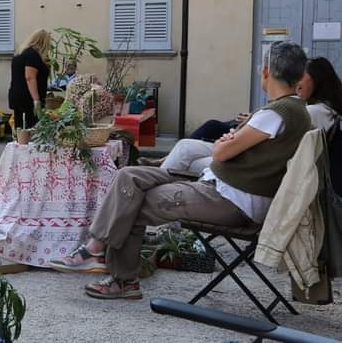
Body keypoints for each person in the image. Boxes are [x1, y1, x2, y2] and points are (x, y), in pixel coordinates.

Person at [50, 42, 312, 300]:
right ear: (299, 76)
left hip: (231, 200)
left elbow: (221, 152)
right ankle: (97, 248)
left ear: (265, 71)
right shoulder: (292, 110)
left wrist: (226, 143)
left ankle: (122, 278)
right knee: (128, 175)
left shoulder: (277, 113)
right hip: (220, 187)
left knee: (132, 202)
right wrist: (229, 142)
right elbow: (232, 149)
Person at [154, 56, 342, 175]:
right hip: (256, 158)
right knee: (185, 147)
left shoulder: (308, 111)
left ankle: (166, 207)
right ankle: (159, 178)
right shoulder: (317, 110)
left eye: (303, 77)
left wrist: (235, 137)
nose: (298, 83)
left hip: (254, 166)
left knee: (189, 158)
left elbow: (227, 151)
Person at [8, 29, 51, 129]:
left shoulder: (20, 53)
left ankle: (20, 144)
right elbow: (30, 77)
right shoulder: (32, 55)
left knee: (20, 129)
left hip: (18, 96)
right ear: (43, 42)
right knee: (31, 129)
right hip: (28, 99)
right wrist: (36, 100)